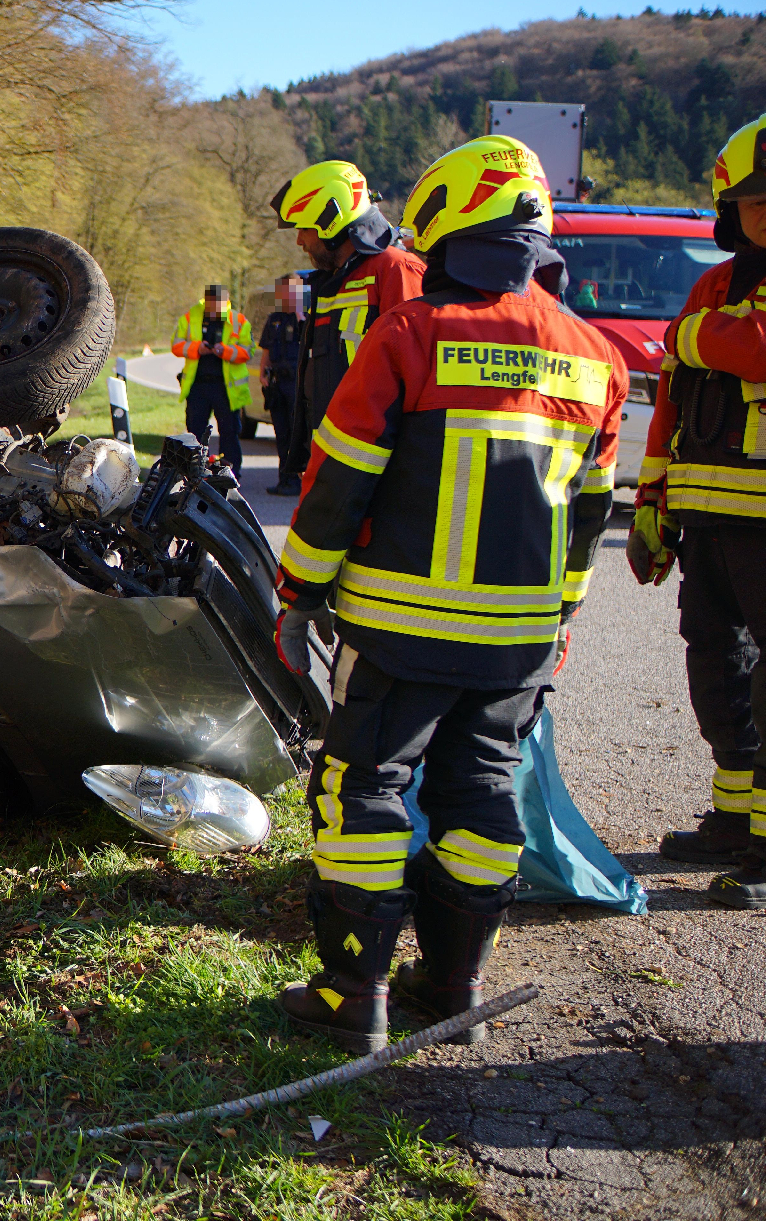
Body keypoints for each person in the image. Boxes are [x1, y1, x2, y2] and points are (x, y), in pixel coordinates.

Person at [270, 135, 628, 1054]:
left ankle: (357, 992)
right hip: (519, 639)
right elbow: (587, 520)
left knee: (365, 789)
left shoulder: (410, 333)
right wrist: (564, 620)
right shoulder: (596, 359)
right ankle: (453, 985)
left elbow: (337, 483)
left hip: (398, 631)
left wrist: (300, 592)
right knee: (483, 792)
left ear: (452, 221)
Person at [635, 113, 766, 909]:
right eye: (758, 202)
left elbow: (750, 350)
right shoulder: (715, 285)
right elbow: (672, 404)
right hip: (709, 520)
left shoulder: (702, 309)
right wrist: (652, 503)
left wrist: (691, 336)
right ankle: (735, 817)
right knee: (717, 668)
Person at [269, 161, 427, 493]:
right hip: (335, 466)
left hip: (376, 478)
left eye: (303, 228)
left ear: (330, 222)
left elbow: (416, 383)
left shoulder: (396, 270)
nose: (299, 240)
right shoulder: (333, 282)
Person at [170, 283, 254, 475]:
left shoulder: (238, 320)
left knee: (229, 431)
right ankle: (194, 471)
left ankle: (230, 472)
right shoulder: (191, 317)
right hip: (198, 385)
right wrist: (197, 348)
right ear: (206, 301)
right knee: (195, 432)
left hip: (226, 387)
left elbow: (248, 350)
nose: (215, 308)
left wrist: (225, 351)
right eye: (212, 304)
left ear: (226, 301)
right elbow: (176, 345)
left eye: (220, 304)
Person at [258, 273, 309, 495]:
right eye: (285, 290)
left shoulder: (307, 317)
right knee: (282, 434)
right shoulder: (274, 319)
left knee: (298, 434)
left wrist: (301, 319)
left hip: (298, 384)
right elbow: (266, 350)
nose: (289, 295)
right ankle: (284, 480)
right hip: (278, 384)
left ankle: (299, 481)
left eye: (294, 290)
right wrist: (263, 373)